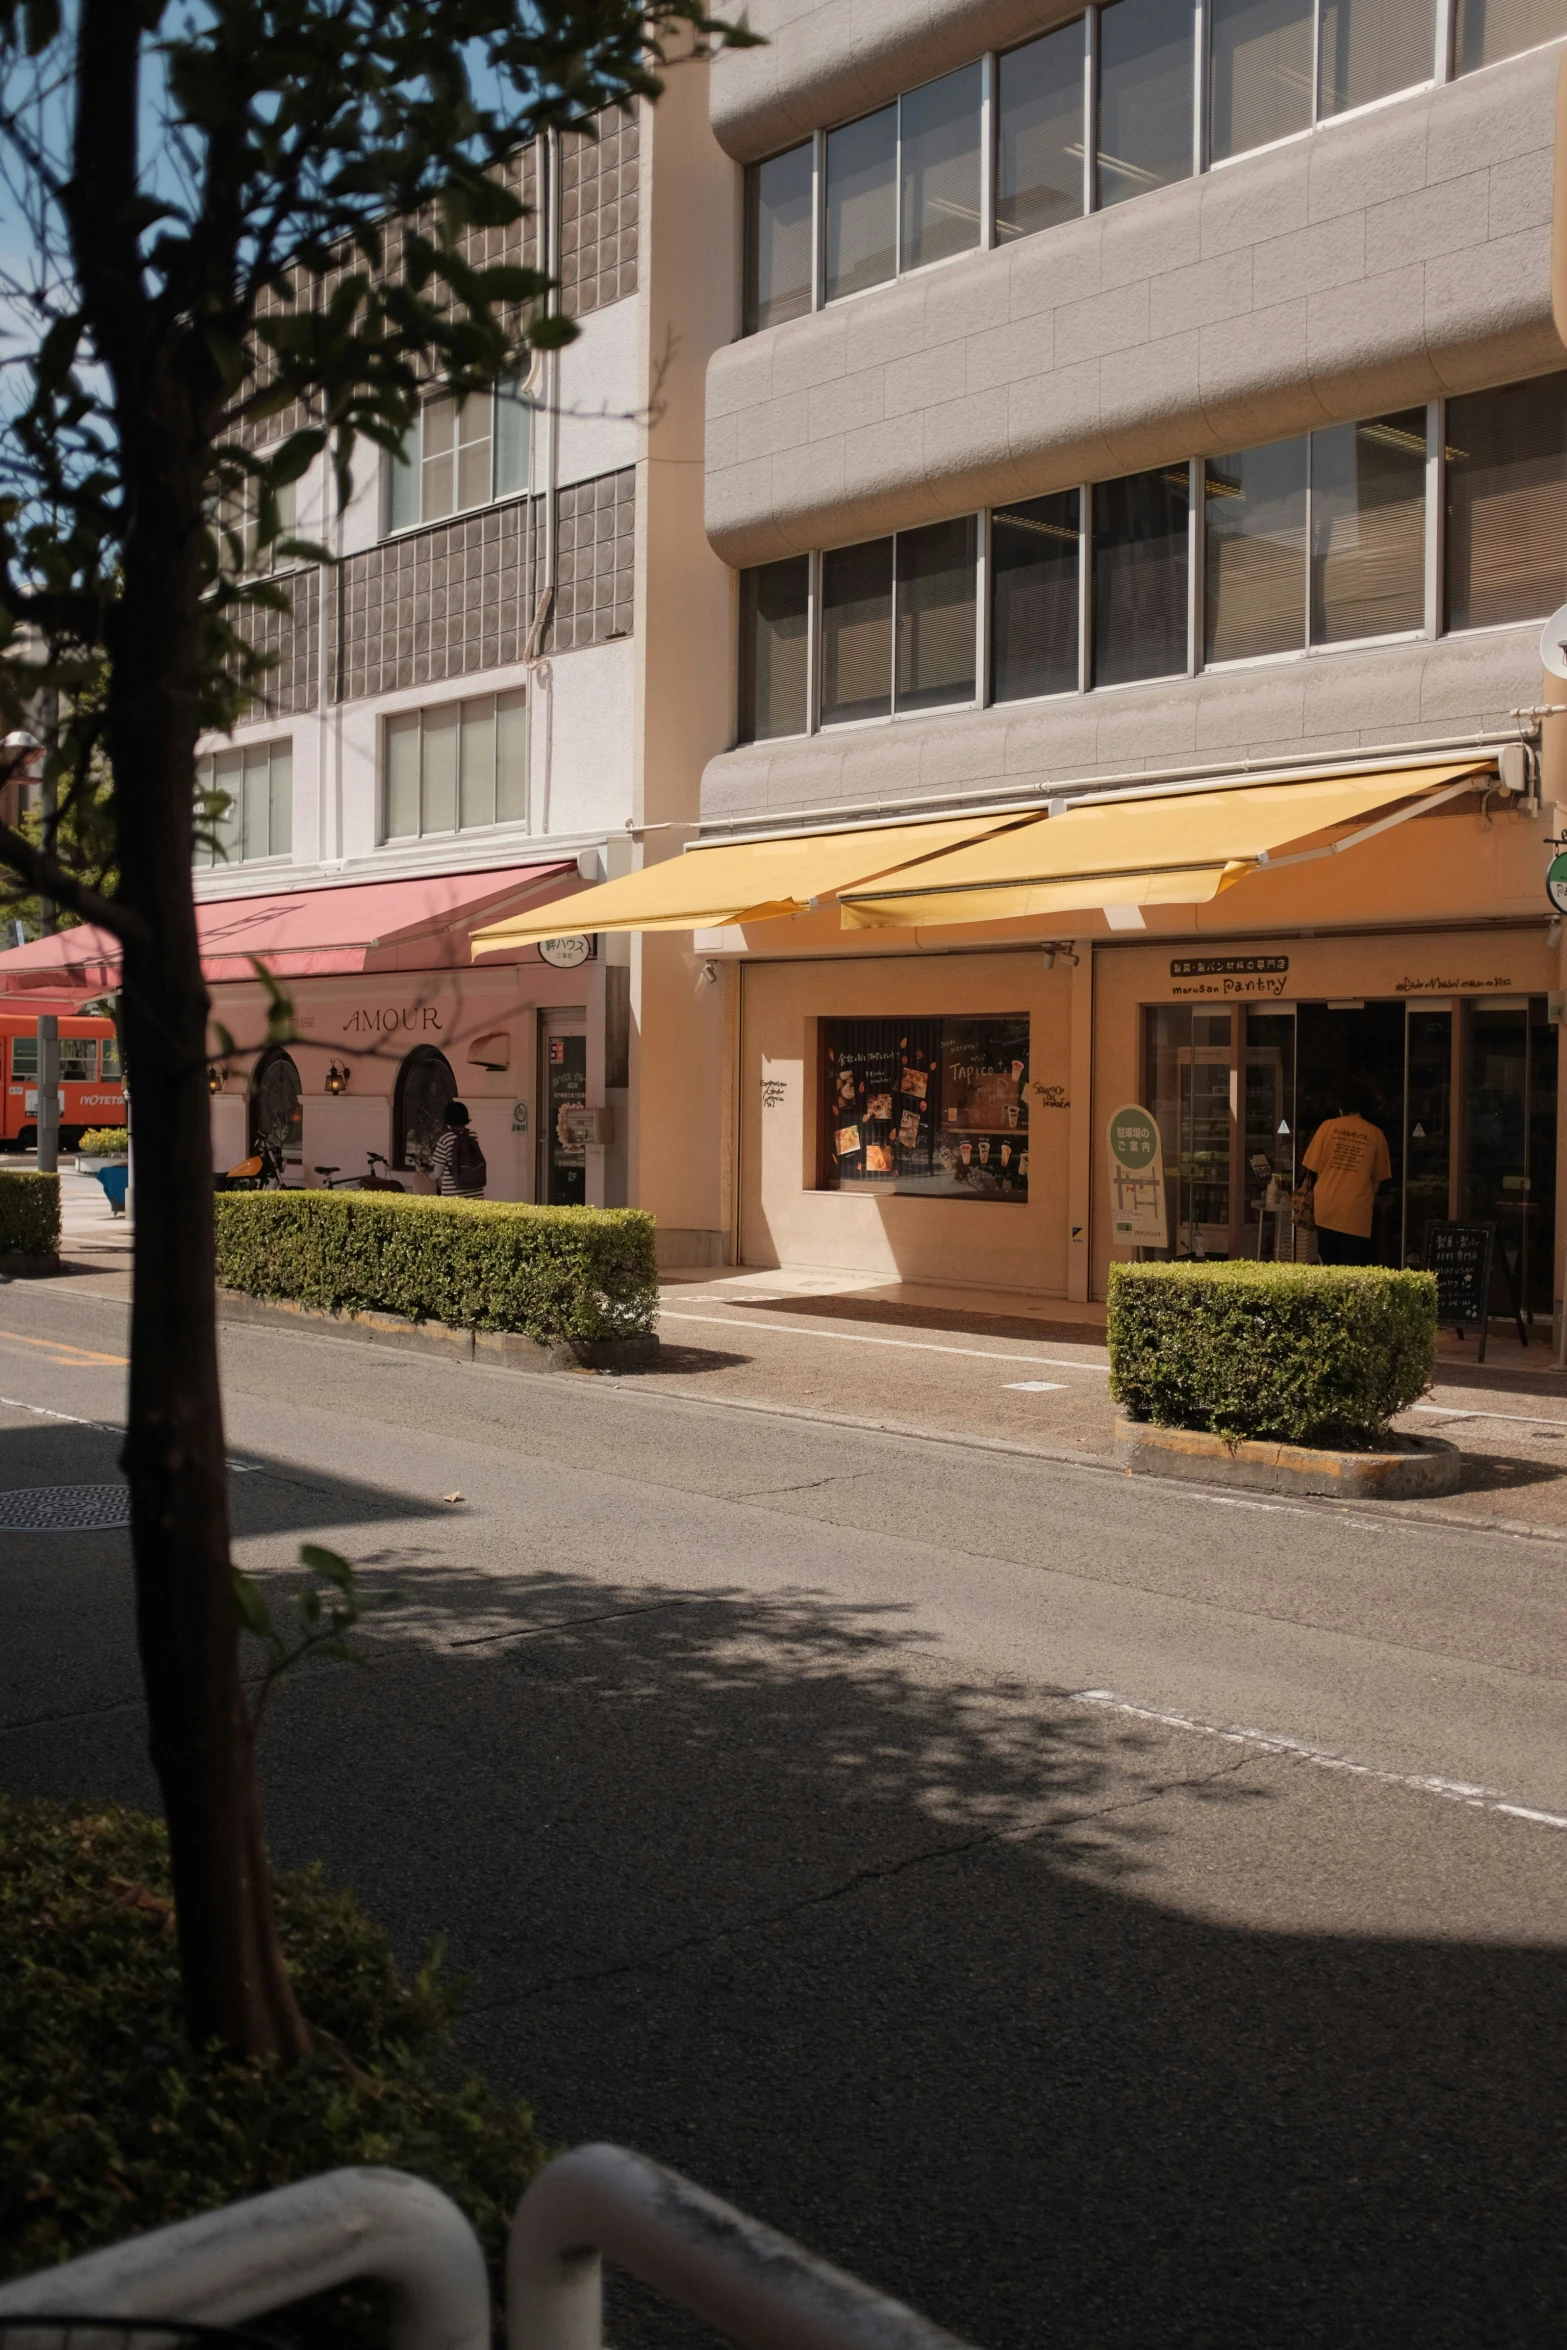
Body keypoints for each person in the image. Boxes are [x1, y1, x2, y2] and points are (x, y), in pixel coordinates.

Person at [1301, 1080, 1391, 1265]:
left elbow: (1311, 1167)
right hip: (1357, 1209)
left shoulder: (1327, 1127)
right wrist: (1367, 1197)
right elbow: (1379, 1178)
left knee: (1329, 1265)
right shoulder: (1375, 1134)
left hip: (1326, 1206)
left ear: (1340, 1106)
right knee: (1354, 1268)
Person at [430, 1100, 487, 1199]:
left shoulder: (445, 1139)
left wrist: (430, 1177)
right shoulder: (473, 1135)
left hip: (453, 1195)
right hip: (476, 1192)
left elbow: (438, 1172)